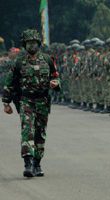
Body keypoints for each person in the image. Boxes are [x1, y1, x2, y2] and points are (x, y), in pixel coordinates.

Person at [2, 29, 61, 177]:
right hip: (26, 101)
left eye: (34, 43)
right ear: (24, 45)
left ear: (39, 44)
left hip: (43, 101)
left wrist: (55, 83)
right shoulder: (18, 63)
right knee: (27, 130)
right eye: (29, 43)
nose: (32, 46)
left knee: (40, 133)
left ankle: (37, 164)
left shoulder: (48, 60)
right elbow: (9, 83)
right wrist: (6, 103)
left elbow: (56, 77)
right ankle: (27, 164)